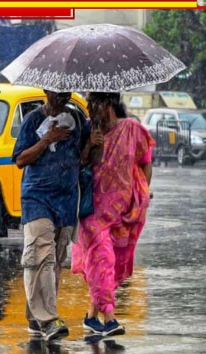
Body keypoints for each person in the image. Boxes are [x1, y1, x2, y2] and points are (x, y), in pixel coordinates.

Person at [71, 92, 154, 337]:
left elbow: (145, 161)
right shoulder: (86, 131)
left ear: (108, 103)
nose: (91, 108)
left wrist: (143, 194)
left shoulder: (132, 129)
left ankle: (91, 317)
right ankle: (109, 318)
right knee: (102, 258)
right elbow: (76, 164)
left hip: (123, 211)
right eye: (89, 104)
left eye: (95, 103)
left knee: (110, 266)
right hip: (92, 210)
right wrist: (89, 146)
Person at [12, 90, 90, 342]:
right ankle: (48, 318)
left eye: (66, 92)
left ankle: (36, 316)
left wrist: (91, 143)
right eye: (57, 92)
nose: (62, 96)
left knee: (54, 261)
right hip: (37, 198)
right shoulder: (33, 120)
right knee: (39, 256)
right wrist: (47, 139)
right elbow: (21, 159)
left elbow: (82, 160)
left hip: (66, 201)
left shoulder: (77, 120)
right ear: (46, 91)